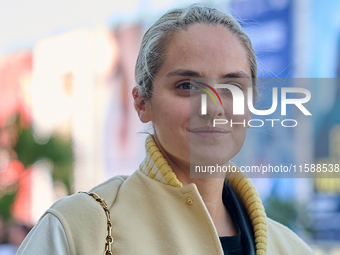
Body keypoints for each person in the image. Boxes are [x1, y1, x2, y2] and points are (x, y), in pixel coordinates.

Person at [17, 4, 315, 255]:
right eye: (187, 86)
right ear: (142, 103)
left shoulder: (291, 248)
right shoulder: (78, 230)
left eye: (232, 87)